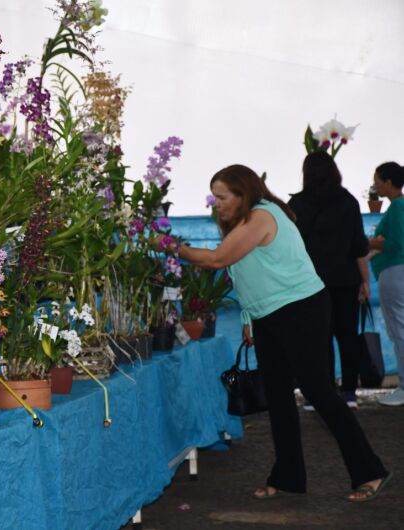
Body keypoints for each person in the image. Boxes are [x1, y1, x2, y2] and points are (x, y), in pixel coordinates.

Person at [157, 164, 390, 502]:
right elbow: (245, 271)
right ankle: (288, 477)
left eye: (222, 197)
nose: (216, 204)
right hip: (269, 314)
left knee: (319, 391)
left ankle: (371, 471)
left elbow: (217, 260)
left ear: (242, 194)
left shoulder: (262, 216)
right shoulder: (242, 223)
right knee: (279, 397)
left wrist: (171, 246)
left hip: (301, 309)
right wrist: (250, 319)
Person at [288, 152, 370, 408]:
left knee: (317, 339)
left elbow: (291, 248)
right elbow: (359, 246)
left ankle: (320, 393)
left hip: (310, 284)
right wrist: (365, 281)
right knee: (347, 336)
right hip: (346, 280)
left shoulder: (297, 204)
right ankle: (349, 392)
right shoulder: (349, 202)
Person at [369, 162, 404, 406]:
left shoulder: (398, 208)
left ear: (389, 182)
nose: (375, 185)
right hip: (393, 270)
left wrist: (371, 242)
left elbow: (396, 243)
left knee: (398, 329)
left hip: (395, 271)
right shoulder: (396, 207)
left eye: (378, 181)